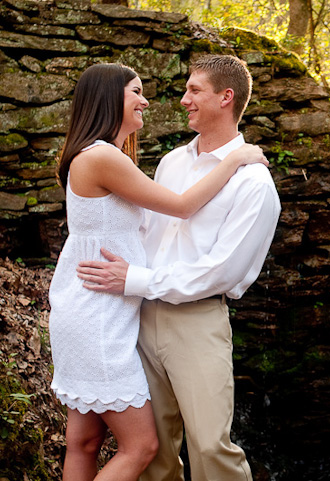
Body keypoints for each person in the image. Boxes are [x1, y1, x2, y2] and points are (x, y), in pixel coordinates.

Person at [49, 62, 267, 481]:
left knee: (84, 441)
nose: (146, 99)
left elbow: (146, 232)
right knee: (144, 446)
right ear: (109, 98)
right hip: (100, 315)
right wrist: (235, 157)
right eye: (136, 91)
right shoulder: (103, 157)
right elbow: (182, 206)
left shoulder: (103, 156)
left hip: (100, 309)